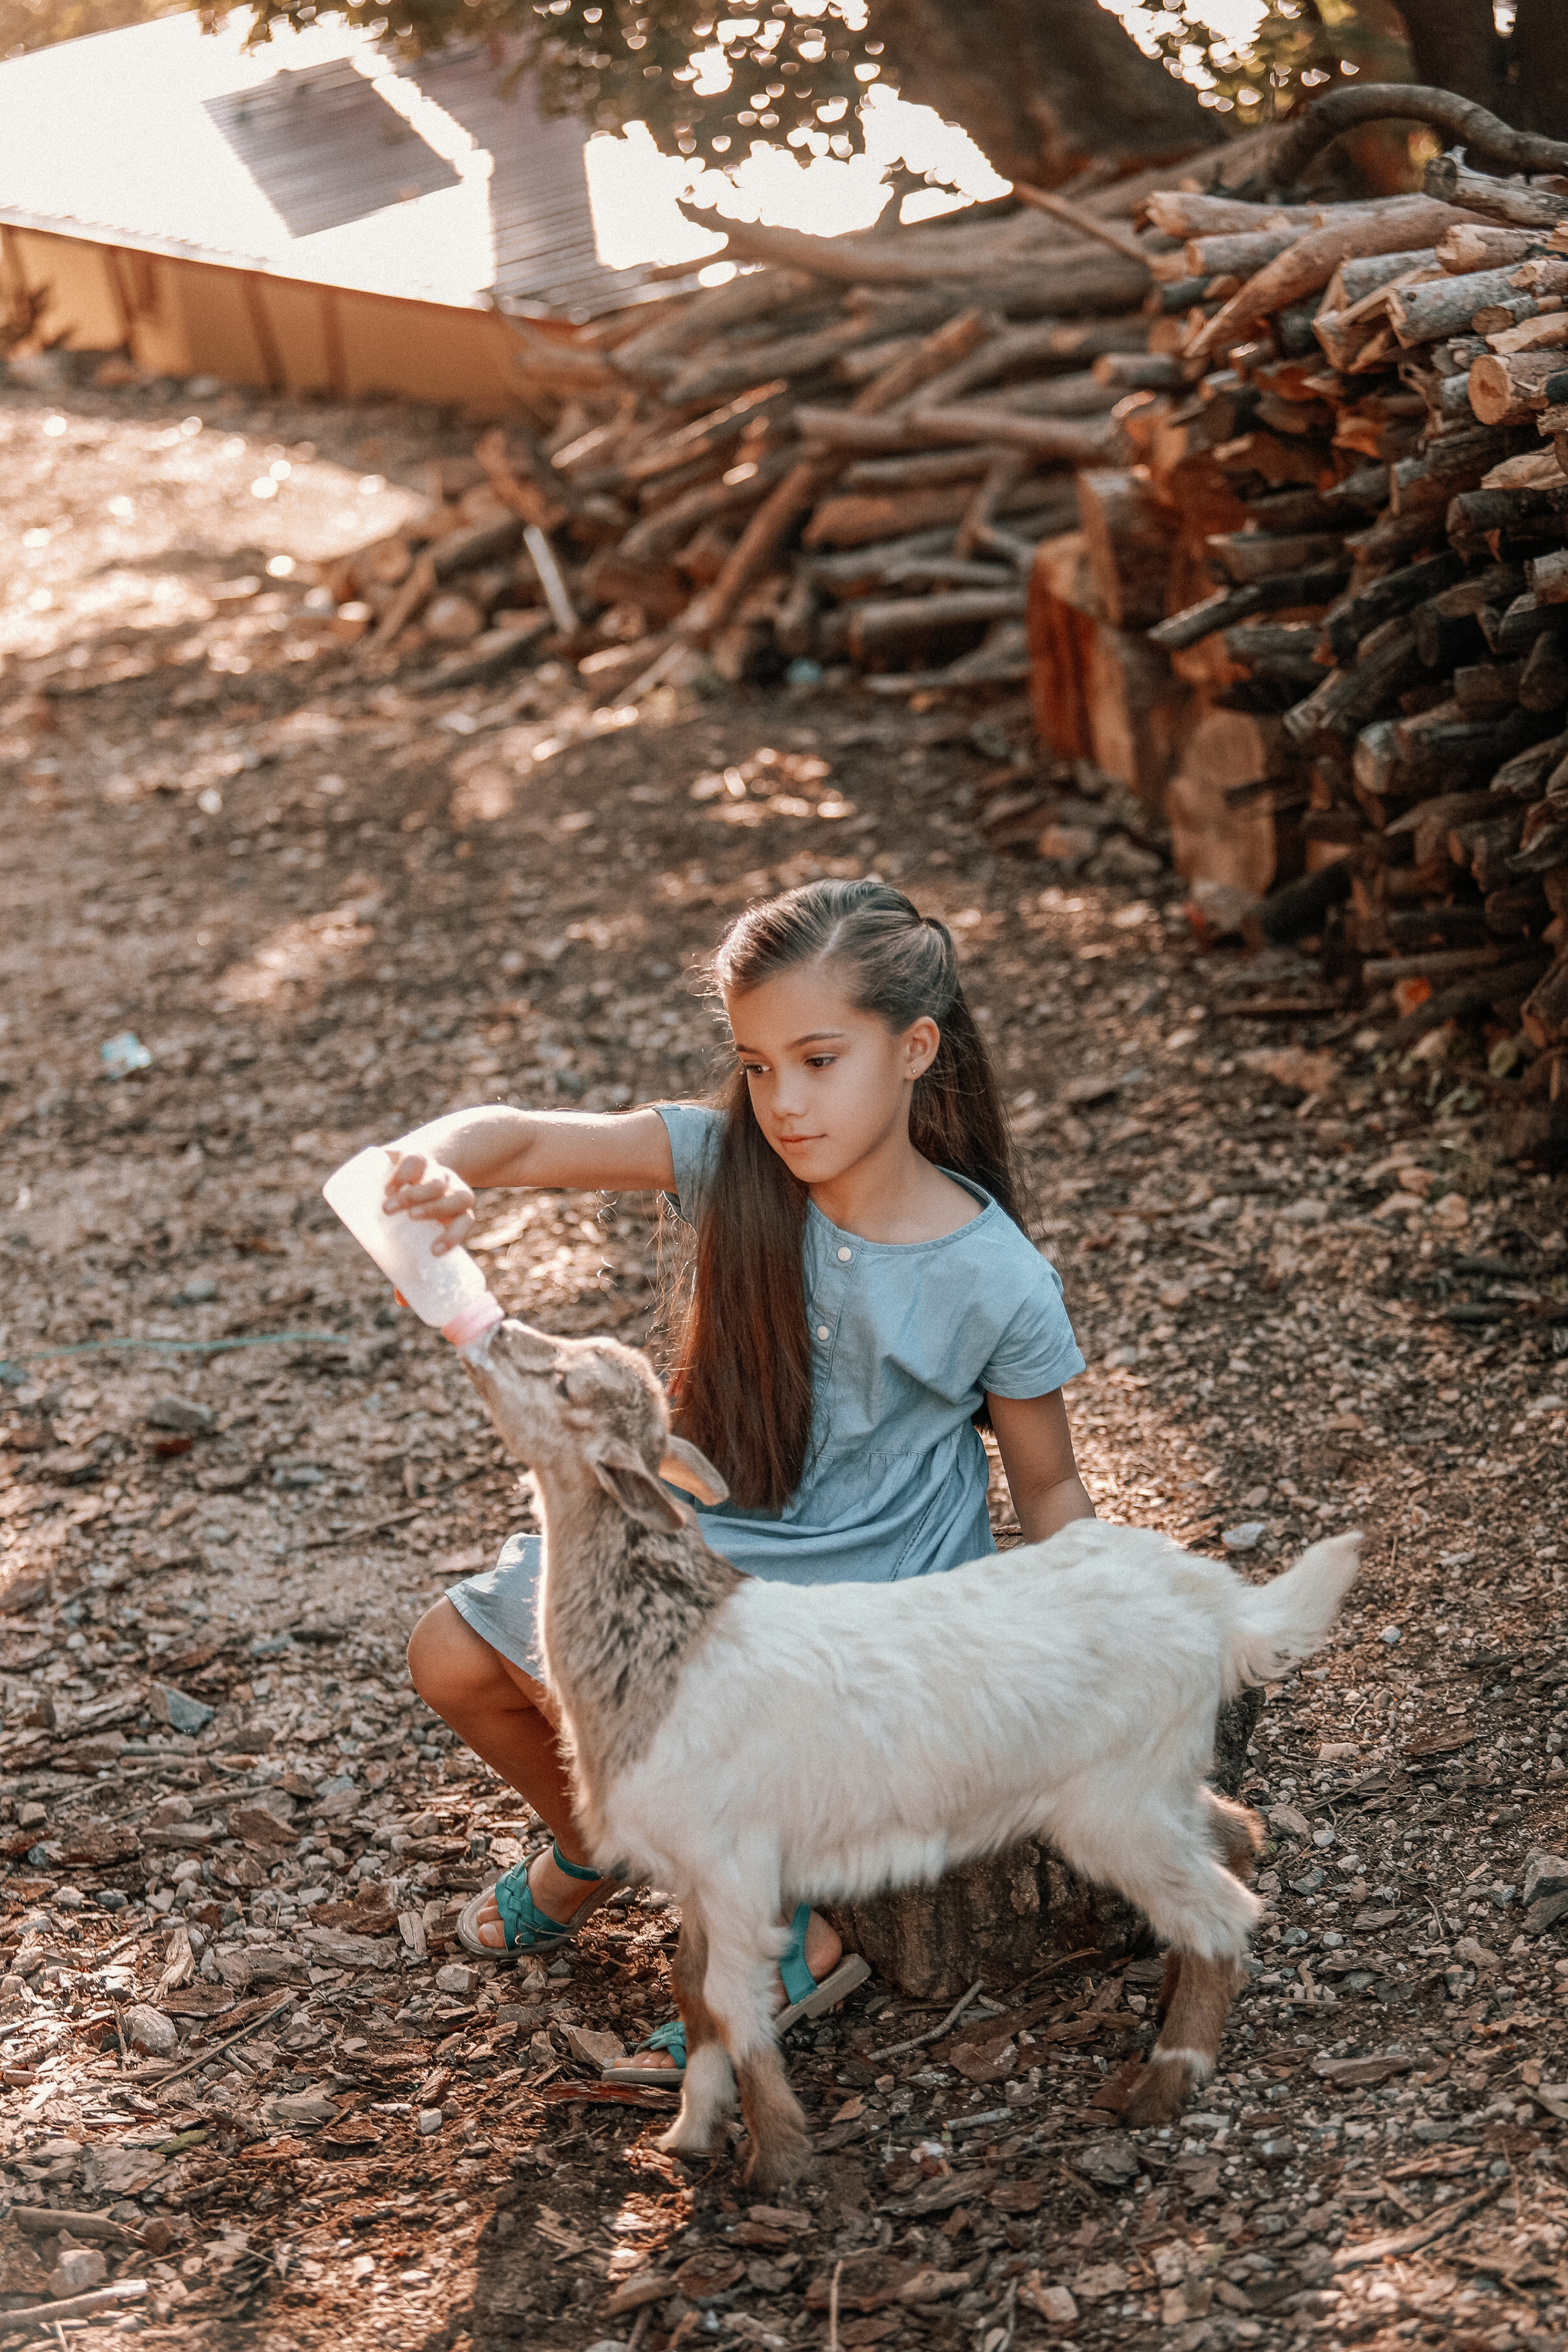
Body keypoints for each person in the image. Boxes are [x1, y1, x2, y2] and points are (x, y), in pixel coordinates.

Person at [387, 877, 1094, 2073]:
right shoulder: (735, 1164)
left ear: (915, 1049)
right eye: (757, 1066)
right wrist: (431, 1165)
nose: (783, 1101)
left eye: (818, 1060)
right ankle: (594, 1843)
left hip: (869, 1609)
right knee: (450, 1656)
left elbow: (1052, 1489)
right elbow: (521, 1140)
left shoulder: (996, 1277)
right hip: (721, 1548)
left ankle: (787, 1942)